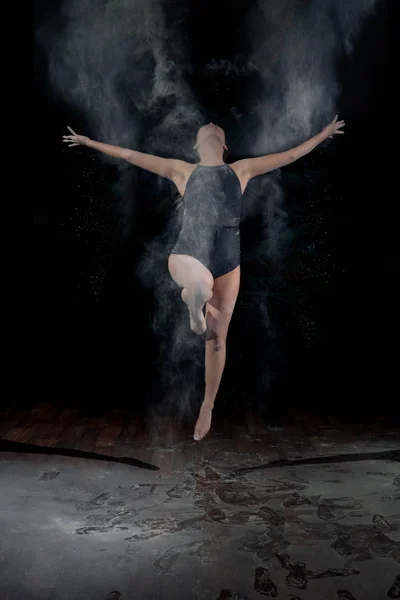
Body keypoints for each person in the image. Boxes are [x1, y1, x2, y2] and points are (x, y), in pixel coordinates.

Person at [63, 116, 345, 441]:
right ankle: (194, 303)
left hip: (229, 261)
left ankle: (207, 403)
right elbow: (129, 155)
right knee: (200, 284)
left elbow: (292, 155)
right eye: (205, 127)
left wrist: (324, 134)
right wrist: (89, 142)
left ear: (224, 145)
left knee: (217, 339)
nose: (211, 122)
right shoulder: (181, 170)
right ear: (196, 145)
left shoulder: (242, 170)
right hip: (188, 255)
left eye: (217, 127)